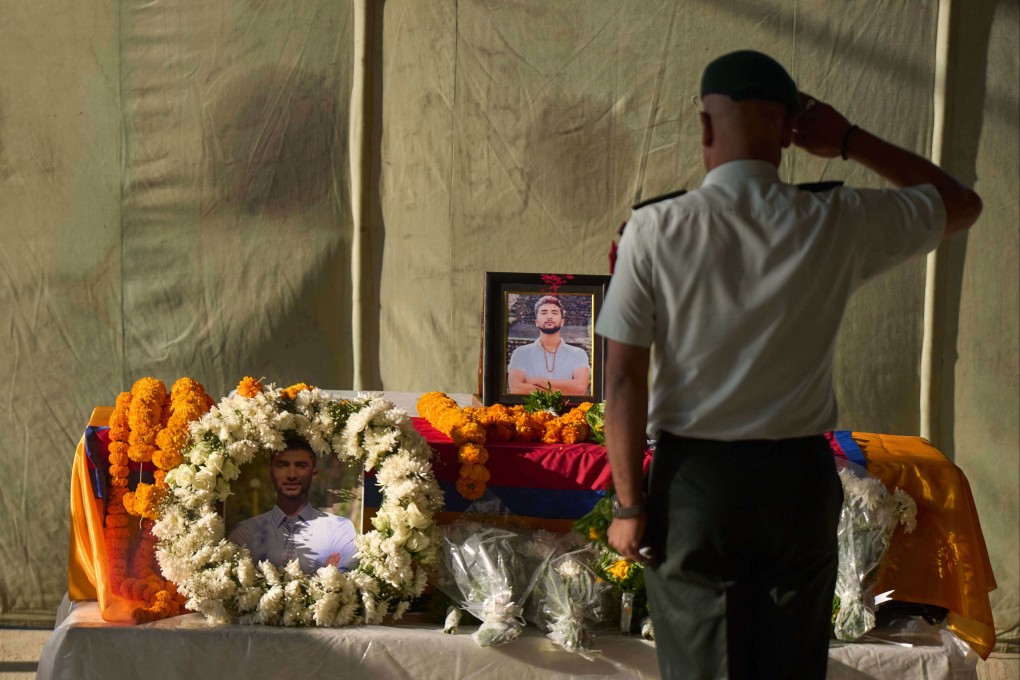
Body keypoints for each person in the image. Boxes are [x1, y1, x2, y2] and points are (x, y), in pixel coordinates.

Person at [595, 50, 981, 679]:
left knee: (701, 665)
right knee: (790, 666)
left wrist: (630, 506)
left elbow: (622, 377)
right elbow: (959, 202)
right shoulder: (835, 218)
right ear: (789, 132)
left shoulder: (655, 228)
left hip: (696, 482)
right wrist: (852, 141)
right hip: (795, 481)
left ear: (705, 129)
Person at [229, 437, 358, 573]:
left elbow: (343, 585)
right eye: (283, 465)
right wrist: (321, 576)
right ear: (272, 474)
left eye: (300, 466)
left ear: (313, 474)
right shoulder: (245, 532)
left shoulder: (339, 529)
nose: (291, 475)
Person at [507, 295, 592, 395]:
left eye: (554, 312)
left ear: (562, 322)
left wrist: (537, 381)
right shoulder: (521, 353)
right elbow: (516, 389)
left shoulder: (578, 354)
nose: (549, 316)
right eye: (544, 312)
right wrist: (564, 390)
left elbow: (580, 389)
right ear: (537, 322)